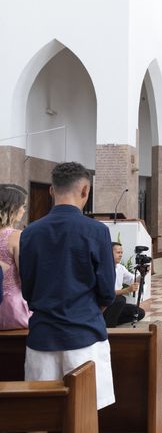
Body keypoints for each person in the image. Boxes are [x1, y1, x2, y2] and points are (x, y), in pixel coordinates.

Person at [19, 162, 116, 409]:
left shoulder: (30, 232)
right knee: (84, 412)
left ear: (52, 191)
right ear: (85, 191)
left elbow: (27, 290)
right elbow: (106, 289)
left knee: (41, 413)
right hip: (85, 336)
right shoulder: (97, 231)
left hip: (42, 336)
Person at [0, 184, 31, 329]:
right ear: (11, 208)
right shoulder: (16, 236)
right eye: (22, 205)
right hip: (11, 308)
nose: (23, 210)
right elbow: (27, 276)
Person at [102, 241, 145, 327]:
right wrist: (126, 290)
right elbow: (106, 293)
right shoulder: (102, 268)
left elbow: (133, 280)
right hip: (104, 305)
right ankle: (109, 325)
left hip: (115, 304)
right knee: (120, 299)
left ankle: (107, 321)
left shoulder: (120, 268)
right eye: (118, 252)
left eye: (121, 253)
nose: (121, 255)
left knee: (139, 313)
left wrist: (143, 274)